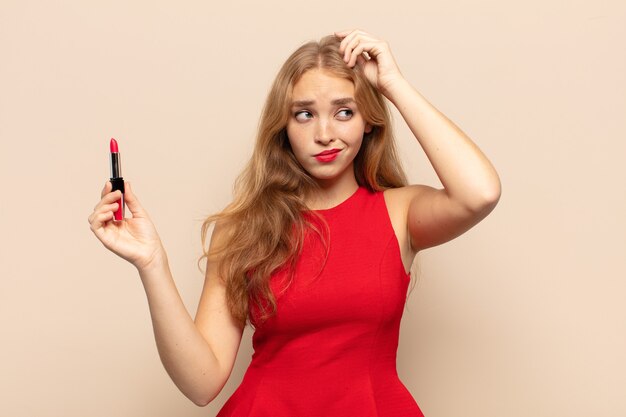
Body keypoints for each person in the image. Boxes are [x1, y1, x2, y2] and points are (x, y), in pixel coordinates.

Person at [88, 29, 501, 416]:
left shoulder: (399, 213)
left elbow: (480, 192)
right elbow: (202, 382)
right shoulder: (242, 229)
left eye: (344, 111)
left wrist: (393, 85)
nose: (325, 133)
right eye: (304, 115)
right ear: (282, 128)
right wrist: (151, 263)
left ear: (369, 121)